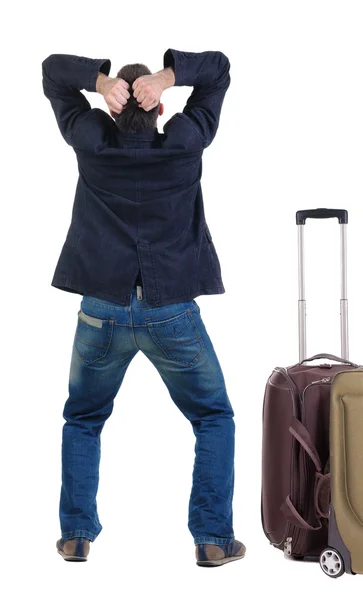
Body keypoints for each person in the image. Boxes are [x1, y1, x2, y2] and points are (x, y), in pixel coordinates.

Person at [42, 48, 245, 567]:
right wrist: (171, 75)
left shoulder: (91, 142)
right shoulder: (184, 143)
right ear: (159, 108)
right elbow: (219, 69)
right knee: (214, 417)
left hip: (100, 312)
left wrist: (96, 79)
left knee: (83, 419)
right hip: (170, 313)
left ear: (111, 110)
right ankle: (213, 539)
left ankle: (75, 535)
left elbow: (51, 71)